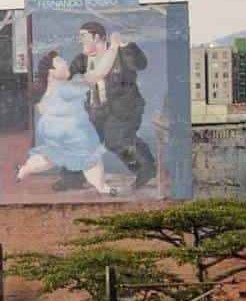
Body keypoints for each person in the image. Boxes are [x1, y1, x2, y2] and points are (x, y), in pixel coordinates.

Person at [16, 41, 123, 195]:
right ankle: (102, 187)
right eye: (60, 62)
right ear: (51, 72)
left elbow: (42, 109)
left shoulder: (46, 90)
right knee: (90, 155)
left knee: (52, 154)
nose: (65, 62)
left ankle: (25, 170)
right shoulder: (68, 87)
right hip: (72, 130)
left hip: (49, 128)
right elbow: (99, 73)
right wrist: (113, 47)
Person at [67, 21, 156, 190]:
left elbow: (142, 64)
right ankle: (72, 178)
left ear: (98, 37)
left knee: (116, 139)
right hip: (96, 109)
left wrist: (127, 45)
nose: (81, 40)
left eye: (84, 36)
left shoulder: (121, 53)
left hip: (124, 108)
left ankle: (146, 169)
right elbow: (67, 75)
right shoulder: (82, 59)